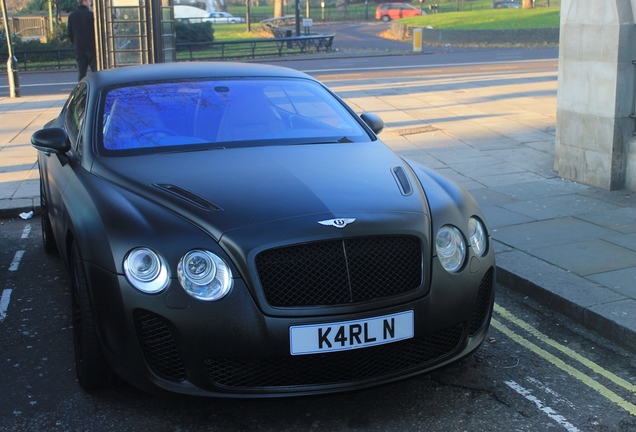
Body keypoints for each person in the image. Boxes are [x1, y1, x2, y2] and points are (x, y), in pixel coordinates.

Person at [67, 0, 97, 81]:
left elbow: (69, 33)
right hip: (92, 47)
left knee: (82, 73)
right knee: (96, 72)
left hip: (79, 48)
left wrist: (76, 43)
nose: (90, 3)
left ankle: (81, 91)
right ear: (85, 1)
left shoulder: (72, 16)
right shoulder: (91, 15)